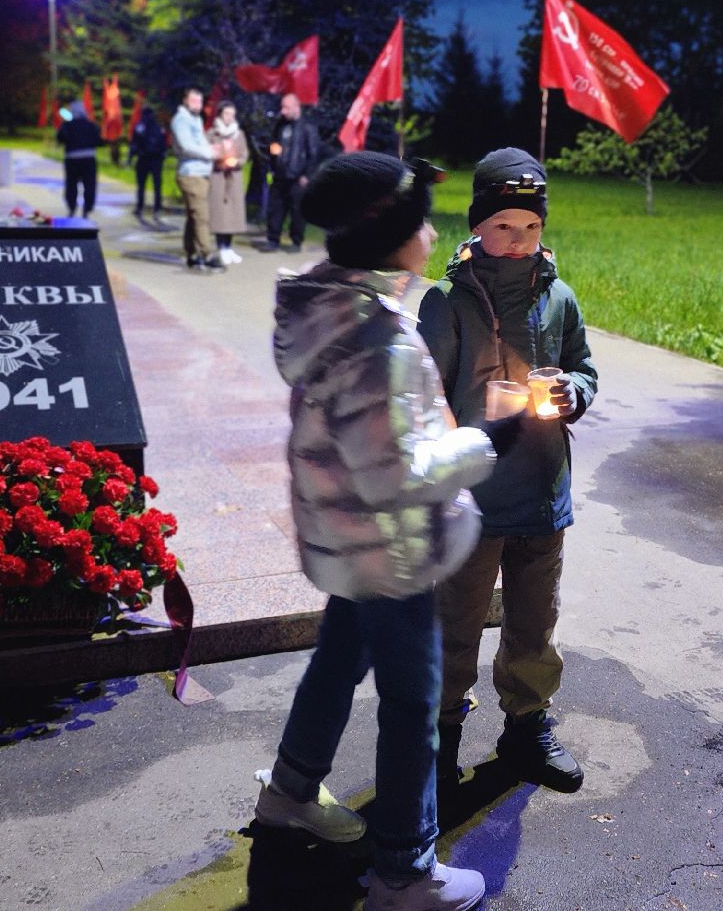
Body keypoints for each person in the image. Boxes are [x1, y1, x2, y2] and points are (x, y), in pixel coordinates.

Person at [257, 151, 518, 911]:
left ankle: (290, 791)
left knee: (337, 661)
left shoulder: (327, 310)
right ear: (393, 238)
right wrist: (485, 441)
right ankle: (405, 872)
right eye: (423, 223)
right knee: (411, 705)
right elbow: (395, 476)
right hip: (389, 550)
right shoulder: (379, 338)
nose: (433, 234)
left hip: (347, 539)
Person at [417, 147, 600, 795]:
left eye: (531, 226)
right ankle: (437, 736)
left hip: (543, 491)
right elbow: (423, 393)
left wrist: (575, 391)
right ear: (476, 226)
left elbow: (584, 367)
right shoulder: (447, 303)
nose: (519, 239)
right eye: (504, 226)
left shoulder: (559, 298)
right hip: (472, 500)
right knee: (456, 621)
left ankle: (527, 725)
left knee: (534, 622)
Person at [170, 88, 220, 271]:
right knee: (201, 216)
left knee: (194, 216)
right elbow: (186, 146)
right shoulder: (181, 120)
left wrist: (212, 149)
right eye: (193, 101)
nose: (198, 105)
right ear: (185, 101)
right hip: (191, 174)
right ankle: (207, 254)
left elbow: (199, 142)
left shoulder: (195, 119)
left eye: (200, 101)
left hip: (201, 174)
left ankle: (191, 253)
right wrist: (209, 153)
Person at [265, 93, 322, 252]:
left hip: (298, 178)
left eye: (286, 107)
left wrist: (307, 175)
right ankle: (273, 239)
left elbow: (313, 154)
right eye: (282, 107)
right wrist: (273, 162)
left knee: (297, 211)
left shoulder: (307, 127)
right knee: (275, 208)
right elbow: (274, 145)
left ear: (296, 108)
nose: (283, 111)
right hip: (279, 175)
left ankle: (296, 241)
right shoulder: (280, 125)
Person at [207, 101, 249, 266]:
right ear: (220, 114)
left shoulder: (239, 134)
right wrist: (218, 158)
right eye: (226, 113)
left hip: (234, 178)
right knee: (220, 214)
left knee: (232, 214)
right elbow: (208, 152)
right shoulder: (212, 133)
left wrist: (236, 162)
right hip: (218, 177)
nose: (229, 117)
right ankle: (221, 247)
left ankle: (229, 246)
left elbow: (244, 154)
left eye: (232, 114)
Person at [55, 100, 105, 219]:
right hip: (89, 158)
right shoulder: (91, 125)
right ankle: (87, 209)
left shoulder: (67, 125)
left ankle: (72, 207)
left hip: (72, 159)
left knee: (71, 184)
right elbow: (100, 141)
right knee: (89, 185)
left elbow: (60, 137)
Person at [130, 106, 168, 222]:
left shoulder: (140, 126)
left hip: (143, 158)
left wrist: (130, 157)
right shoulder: (159, 127)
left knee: (141, 185)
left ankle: (140, 207)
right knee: (157, 185)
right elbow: (164, 143)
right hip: (157, 159)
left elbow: (134, 143)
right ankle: (157, 207)